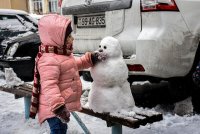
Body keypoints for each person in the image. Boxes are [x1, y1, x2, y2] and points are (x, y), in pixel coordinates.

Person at [29, 14, 100, 134]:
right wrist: (58, 108)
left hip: (59, 105)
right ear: (57, 38)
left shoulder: (61, 54)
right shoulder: (49, 60)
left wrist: (90, 59)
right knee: (58, 130)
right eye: (69, 36)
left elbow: (73, 65)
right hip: (53, 108)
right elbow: (49, 86)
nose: (72, 39)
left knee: (62, 130)